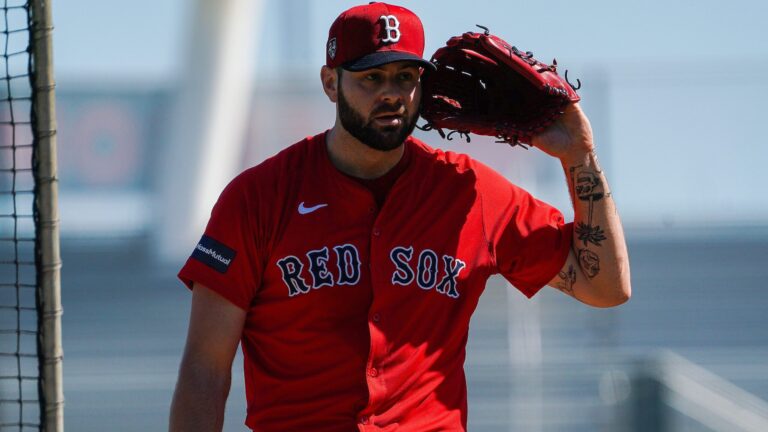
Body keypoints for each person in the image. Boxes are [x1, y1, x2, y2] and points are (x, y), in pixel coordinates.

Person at [169, 2, 631, 431]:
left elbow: (604, 287)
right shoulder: (257, 198)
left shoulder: (471, 192)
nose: (392, 94)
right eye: (371, 78)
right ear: (331, 83)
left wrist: (579, 156)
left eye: (405, 76)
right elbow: (204, 369)